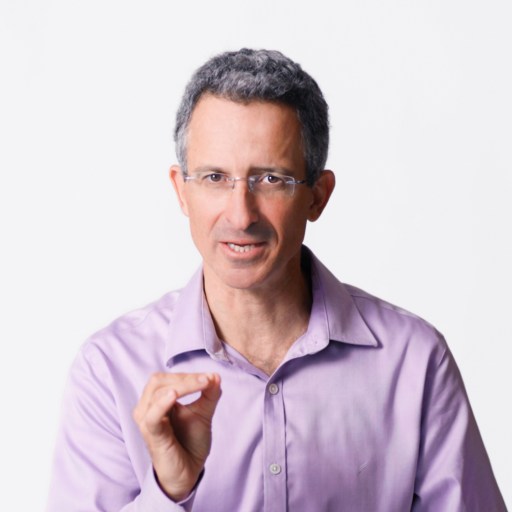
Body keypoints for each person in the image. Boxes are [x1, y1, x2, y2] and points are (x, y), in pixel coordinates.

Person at [46, 48, 506, 511]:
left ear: (318, 196)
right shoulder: (110, 370)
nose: (240, 215)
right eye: (214, 177)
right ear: (181, 191)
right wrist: (169, 492)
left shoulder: (414, 362)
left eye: (270, 179)